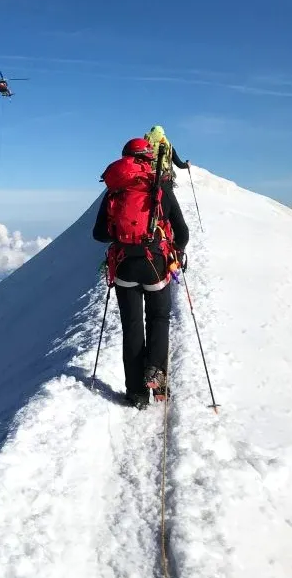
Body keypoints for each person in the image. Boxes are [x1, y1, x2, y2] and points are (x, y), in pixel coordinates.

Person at [93, 137, 189, 409]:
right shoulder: (159, 186)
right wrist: (176, 252)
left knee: (132, 327)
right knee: (159, 318)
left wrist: (122, 235)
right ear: (148, 158)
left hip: (124, 265)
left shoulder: (115, 191)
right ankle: (156, 375)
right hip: (155, 264)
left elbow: (98, 234)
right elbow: (182, 232)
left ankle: (136, 393)